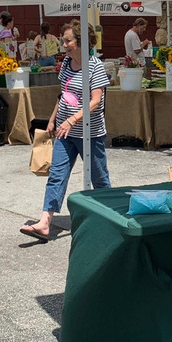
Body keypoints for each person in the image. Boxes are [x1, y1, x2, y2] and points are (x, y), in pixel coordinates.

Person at [20, 22, 110, 242]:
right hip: (65, 132)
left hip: (90, 133)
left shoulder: (95, 66)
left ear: (81, 42)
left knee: (99, 180)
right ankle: (44, 222)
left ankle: (111, 218)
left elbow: (96, 101)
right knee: (56, 175)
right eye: (64, 40)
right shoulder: (67, 64)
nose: (64, 45)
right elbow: (64, 95)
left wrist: (72, 120)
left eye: (68, 41)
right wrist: (53, 120)